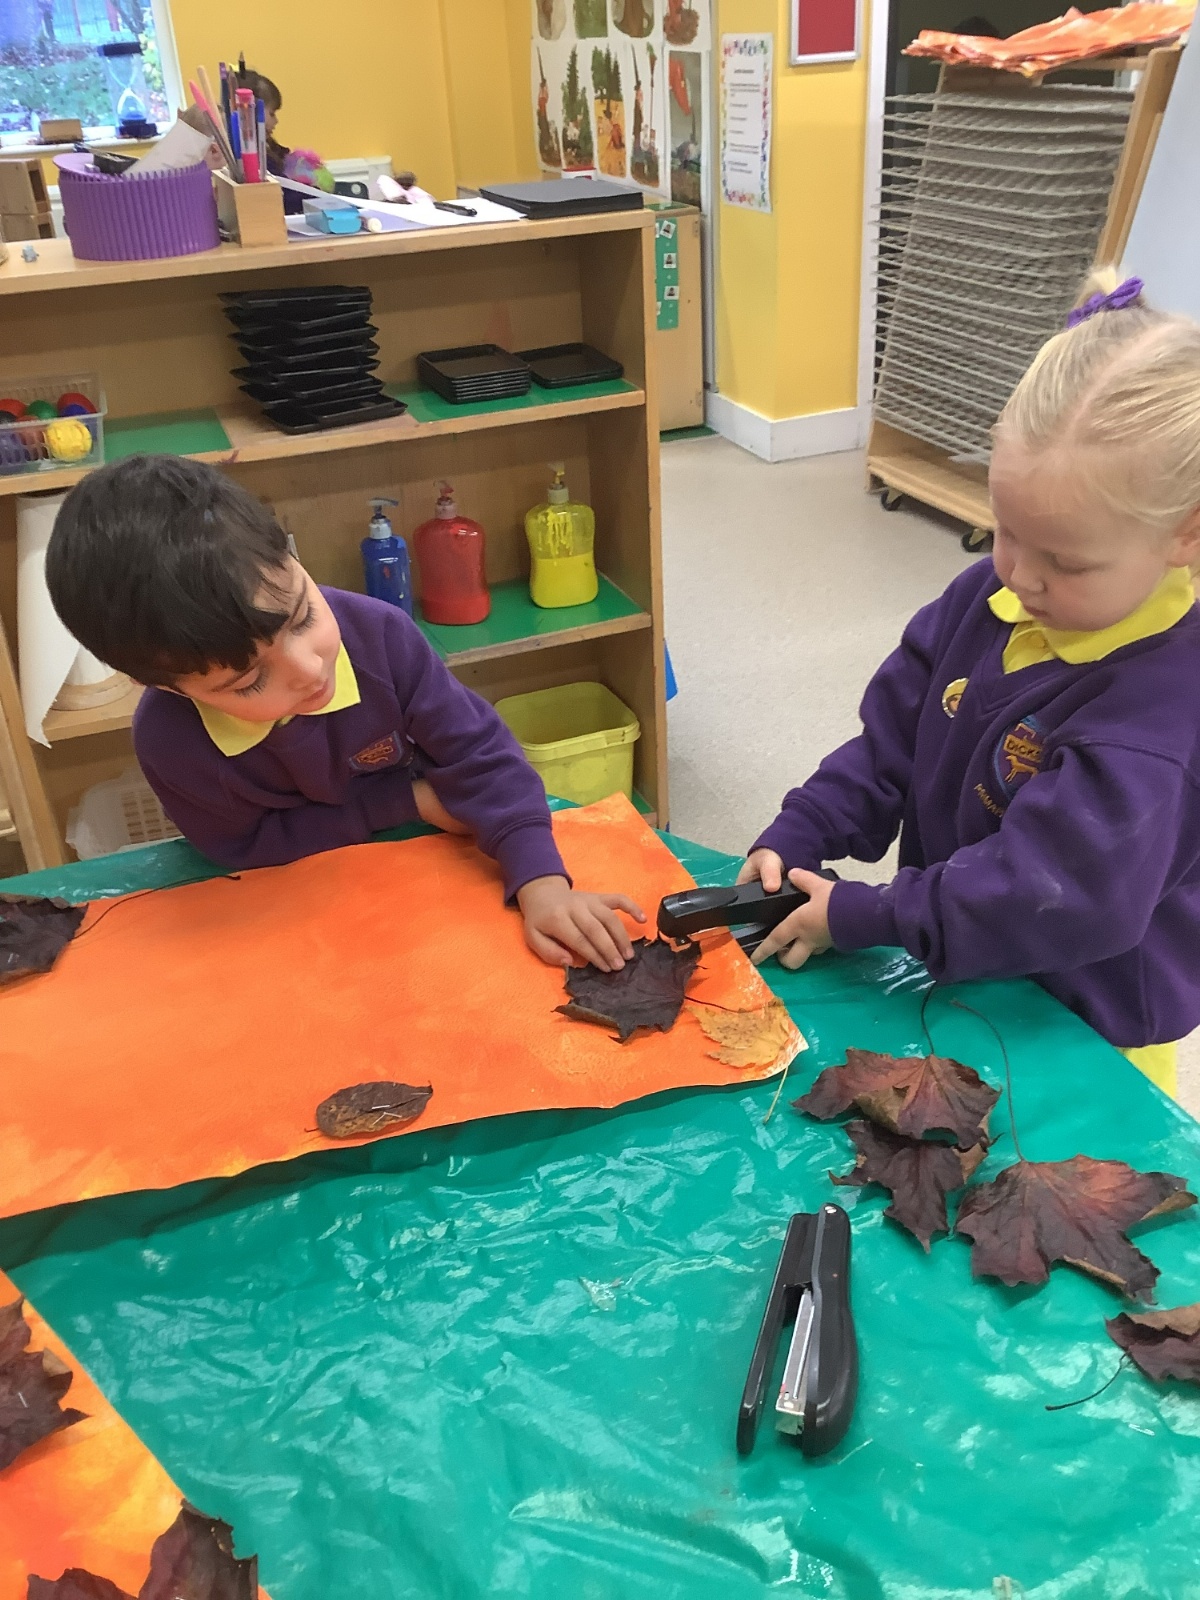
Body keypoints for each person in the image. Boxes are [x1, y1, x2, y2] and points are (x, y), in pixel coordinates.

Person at [740, 270, 1200, 1097]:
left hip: (1090, 1032)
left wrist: (869, 913)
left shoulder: (1159, 715)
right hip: (964, 969)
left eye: (1065, 561)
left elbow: (1052, 894)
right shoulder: (987, 599)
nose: (1019, 573)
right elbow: (891, 748)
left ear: (1185, 536)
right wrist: (806, 826)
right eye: (1005, 530)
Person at [46, 456, 645, 973]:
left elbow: (484, 758)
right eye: (250, 680)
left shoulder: (379, 635)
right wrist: (405, 801)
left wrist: (541, 883)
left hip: (440, 866)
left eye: (303, 617)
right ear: (166, 687)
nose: (309, 668)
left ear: (292, 558)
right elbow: (243, 847)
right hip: (300, 906)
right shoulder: (169, 742)